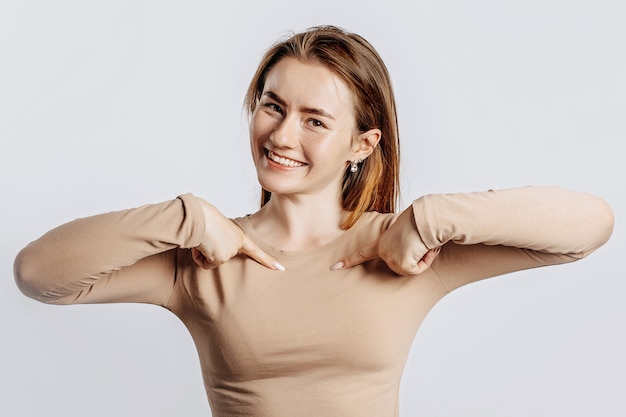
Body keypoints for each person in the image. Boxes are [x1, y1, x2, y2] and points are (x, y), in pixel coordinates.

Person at [13, 25, 614, 417]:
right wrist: (184, 217)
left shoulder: (402, 251)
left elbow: (588, 227)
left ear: (362, 145)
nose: (281, 135)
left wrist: (433, 217)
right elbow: (38, 275)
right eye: (272, 107)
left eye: (315, 120)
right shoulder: (201, 258)